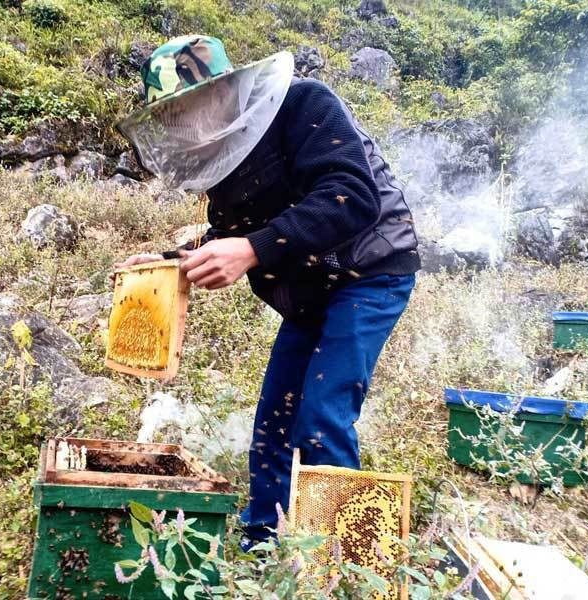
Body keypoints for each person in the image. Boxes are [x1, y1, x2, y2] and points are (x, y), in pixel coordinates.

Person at [115, 35, 420, 547]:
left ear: (228, 89)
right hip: (309, 288)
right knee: (274, 420)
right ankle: (264, 541)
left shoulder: (305, 105)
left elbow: (351, 197)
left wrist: (252, 250)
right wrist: (174, 265)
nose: (186, 122)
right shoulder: (223, 158)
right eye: (174, 115)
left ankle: (353, 565)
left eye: (191, 105)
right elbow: (235, 232)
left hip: (371, 270)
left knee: (322, 413)